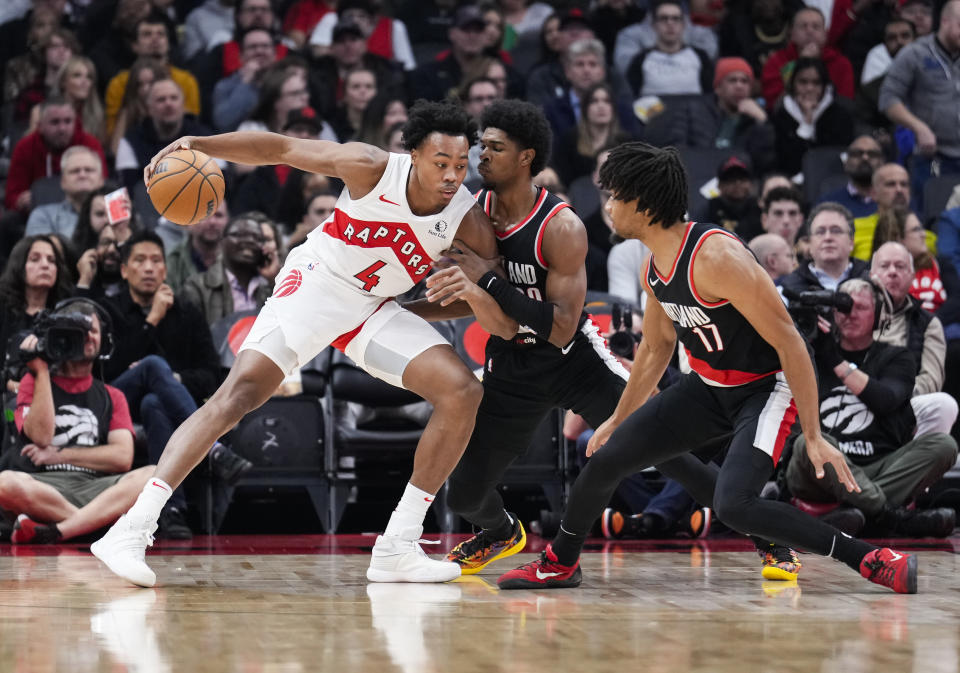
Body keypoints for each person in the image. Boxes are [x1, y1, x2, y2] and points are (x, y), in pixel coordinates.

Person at [91, 99, 504, 588]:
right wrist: (201, 144)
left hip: (373, 307)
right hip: (317, 283)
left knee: (462, 392)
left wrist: (422, 309)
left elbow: (480, 294)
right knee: (238, 394)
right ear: (413, 154)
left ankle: (397, 546)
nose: (453, 175)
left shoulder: (467, 219)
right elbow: (280, 148)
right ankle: (131, 529)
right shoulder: (369, 166)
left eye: (460, 165)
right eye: (441, 163)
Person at [495, 141, 918, 594]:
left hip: (764, 389)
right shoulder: (653, 265)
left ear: (642, 201)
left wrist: (813, 437)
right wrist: (619, 419)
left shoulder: (716, 257)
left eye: (614, 196)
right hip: (708, 387)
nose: (608, 207)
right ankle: (560, 563)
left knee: (733, 504)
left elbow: (791, 342)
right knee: (605, 458)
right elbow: (656, 348)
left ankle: (872, 558)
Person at [419, 102, 793, 579]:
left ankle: (771, 542)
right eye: (481, 147)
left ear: (526, 157)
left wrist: (489, 283)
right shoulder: (473, 216)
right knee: (465, 491)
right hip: (512, 364)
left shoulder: (561, 225)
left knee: (676, 460)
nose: (481, 158)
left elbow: (559, 327)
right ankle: (499, 533)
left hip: (576, 361)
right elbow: (464, 295)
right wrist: (401, 308)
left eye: (495, 148)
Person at [103, 230, 248, 539]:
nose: (149, 268)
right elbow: (106, 372)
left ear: (165, 270)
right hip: (118, 404)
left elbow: (211, 373)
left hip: (163, 408)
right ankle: (213, 448)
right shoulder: (110, 310)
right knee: (153, 366)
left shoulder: (186, 312)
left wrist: (172, 380)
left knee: (155, 402)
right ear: (125, 270)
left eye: (156, 261)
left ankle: (171, 510)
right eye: (139, 261)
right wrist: (151, 321)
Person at [785, 278, 957, 536]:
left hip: (877, 465)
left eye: (860, 307)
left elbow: (886, 399)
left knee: (944, 446)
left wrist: (835, 362)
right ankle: (889, 517)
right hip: (820, 472)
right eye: (843, 307)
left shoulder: (897, 357)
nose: (850, 314)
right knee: (811, 443)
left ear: (877, 317)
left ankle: (850, 515)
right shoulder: (811, 354)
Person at [0, 300, 154, 544]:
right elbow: (40, 437)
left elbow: (122, 458)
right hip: (45, 487)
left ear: (104, 339)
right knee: (4, 482)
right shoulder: (33, 382)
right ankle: (94, 529)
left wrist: (60, 455)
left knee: (154, 476)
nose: (88, 337)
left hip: (98, 488)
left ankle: (57, 530)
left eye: (93, 330)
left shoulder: (113, 396)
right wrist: (40, 372)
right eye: (78, 332)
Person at [880, 0, 960, 191]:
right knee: (935, 211)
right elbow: (888, 98)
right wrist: (919, 127)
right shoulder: (914, 54)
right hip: (934, 156)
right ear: (945, 21)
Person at [180, 213, 276, 326]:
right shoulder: (197, 288)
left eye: (256, 238)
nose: (249, 240)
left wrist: (273, 281)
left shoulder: (270, 286)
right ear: (222, 242)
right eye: (239, 234)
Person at [771, 57, 854, 178]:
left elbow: (837, 155)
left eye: (816, 83)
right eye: (803, 82)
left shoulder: (840, 114)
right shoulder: (782, 114)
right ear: (793, 84)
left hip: (829, 179)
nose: (810, 88)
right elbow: (785, 161)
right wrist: (807, 122)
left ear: (825, 86)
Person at [24, 146, 105, 240]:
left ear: (101, 180)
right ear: (62, 182)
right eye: (75, 171)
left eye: (89, 170)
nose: (82, 175)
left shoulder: (115, 213)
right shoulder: (44, 216)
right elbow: (39, 252)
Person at [817, 135, 885, 218]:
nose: (865, 158)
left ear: (882, 163)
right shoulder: (828, 204)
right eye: (857, 154)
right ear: (846, 163)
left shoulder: (892, 200)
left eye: (872, 154)